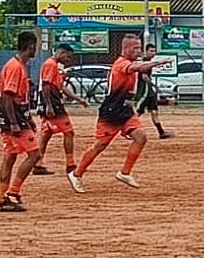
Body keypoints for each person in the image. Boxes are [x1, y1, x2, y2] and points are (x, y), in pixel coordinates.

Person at [69, 35, 172, 193]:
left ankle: (125, 173)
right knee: (100, 145)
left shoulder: (131, 63)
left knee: (141, 136)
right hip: (112, 111)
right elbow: (137, 68)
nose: (139, 51)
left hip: (126, 110)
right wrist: (159, 62)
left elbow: (138, 68)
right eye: (135, 48)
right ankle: (77, 174)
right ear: (126, 49)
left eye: (140, 48)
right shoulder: (121, 64)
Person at [0, 31, 42, 212]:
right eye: (34, 47)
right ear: (30, 46)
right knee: (34, 155)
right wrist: (14, 122)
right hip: (13, 118)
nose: (35, 50)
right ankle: (13, 193)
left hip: (15, 116)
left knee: (10, 156)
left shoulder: (17, 65)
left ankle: (2, 198)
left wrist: (28, 118)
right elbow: (7, 96)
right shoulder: (15, 67)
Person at [33, 44, 91, 179]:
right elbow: (46, 85)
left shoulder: (54, 65)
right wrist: (49, 105)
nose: (68, 60)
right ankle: (70, 164)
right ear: (62, 53)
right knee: (69, 132)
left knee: (46, 134)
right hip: (52, 102)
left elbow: (61, 87)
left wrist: (78, 99)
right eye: (68, 56)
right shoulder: (50, 64)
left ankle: (37, 164)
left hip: (50, 102)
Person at [132, 68, 173, 139]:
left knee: (154, 113)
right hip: (144, 94)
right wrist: (155, 86)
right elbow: (144, 77)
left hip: (150, 93)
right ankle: (129, 130)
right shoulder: (144, 64)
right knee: (138, 113)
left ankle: (161, 132)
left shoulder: (148, 65)